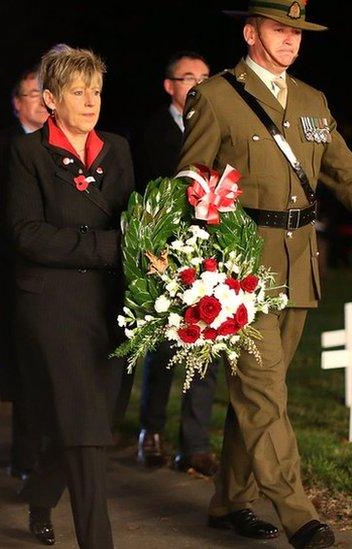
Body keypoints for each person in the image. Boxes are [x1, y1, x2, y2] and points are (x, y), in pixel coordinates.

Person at [178, 3, 352, 548]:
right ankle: (299, 515)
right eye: (280, 29)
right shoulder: (215, 96)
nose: (291, 41)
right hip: (237, 275)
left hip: (298, 265)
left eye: (297, 32)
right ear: (250, 32)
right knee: (261, 394)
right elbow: (189, 179)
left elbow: (344, 168)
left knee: (262, 392)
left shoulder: (311, 101)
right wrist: (205, 266)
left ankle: (229, 500)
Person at [6, 44, 134, 548]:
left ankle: (41, 492)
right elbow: (27, 234)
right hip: (53, 304)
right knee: (85, 428)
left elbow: (135, 222)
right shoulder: (27, 153)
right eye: (78, 92)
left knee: (96, 419)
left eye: (96, 91)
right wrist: (110, 247)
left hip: (112, 303)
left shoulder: (118, 149)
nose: (90, 101)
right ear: (51, 99)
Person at [132, 51, 221, 477]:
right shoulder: (151, 133)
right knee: (166, 349)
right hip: (165, 254)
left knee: (206, 346)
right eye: (189, 78)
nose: (198, 85)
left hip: (210, 253)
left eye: (206, 77)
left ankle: (196, 444)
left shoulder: (219, 128)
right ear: (169, 85)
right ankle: (151, 431)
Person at [0, 68, 49, 483]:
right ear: (17, 102)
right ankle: (26, 457)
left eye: (45, 94)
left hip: (60, 277)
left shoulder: (66, 144)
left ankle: (52, 457)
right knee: (23, 371)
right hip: (15, 274)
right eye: (32, 95)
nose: (40, 101)